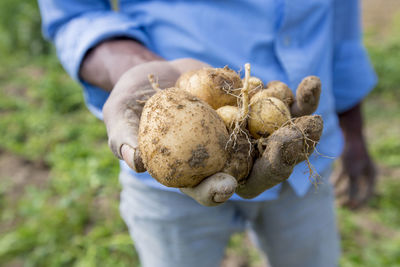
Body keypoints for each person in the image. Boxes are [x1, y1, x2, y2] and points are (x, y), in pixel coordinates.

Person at [38, 0, 377, 266]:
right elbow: (74, 13)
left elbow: (343, 28)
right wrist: (136, 67)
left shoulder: (265, 109)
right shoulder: (194, 99)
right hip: (172, 164)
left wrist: (355, 133)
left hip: (303, 158)